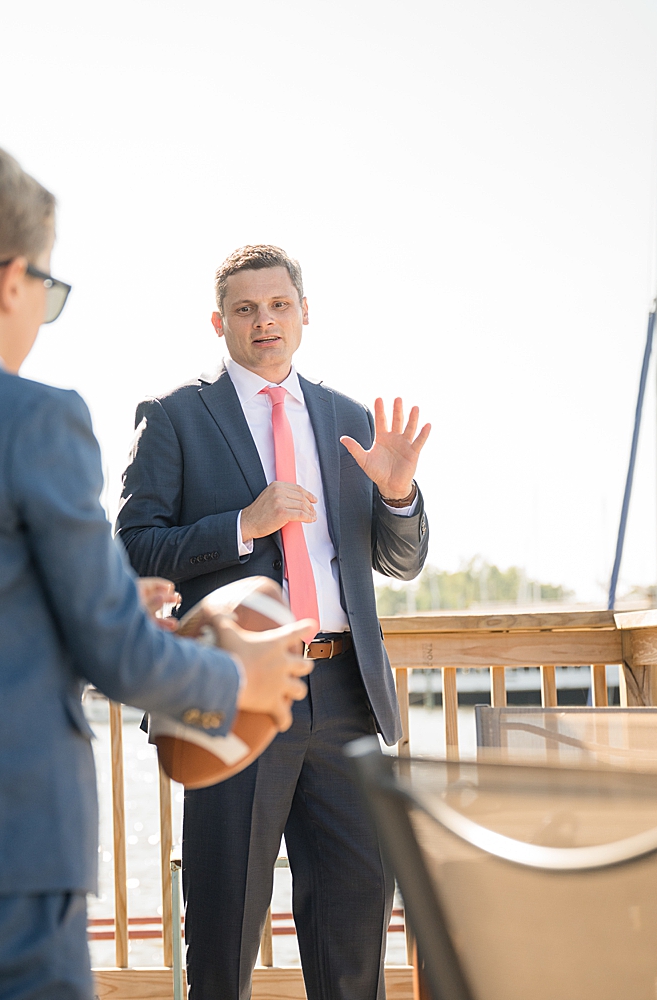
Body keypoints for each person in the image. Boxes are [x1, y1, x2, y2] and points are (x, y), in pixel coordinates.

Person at [0, 137, 316, 1000]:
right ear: (14, 284)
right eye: (48, 290)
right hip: (3, 845)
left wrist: (91, 595)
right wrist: (240, 683)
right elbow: (117, 654)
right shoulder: (35, 418)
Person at [116, 245, 431, 1000]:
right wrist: (241, 526)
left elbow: (403, 560)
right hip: (235, 689)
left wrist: (397, 497)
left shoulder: (351, 419)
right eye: (248, 309)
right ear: (219, 321)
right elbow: (131, 549)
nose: (266, 322)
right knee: (225, 925)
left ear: (305, 313)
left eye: (280, 305)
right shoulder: (175, 418)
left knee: (356, 919)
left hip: (347, 690)